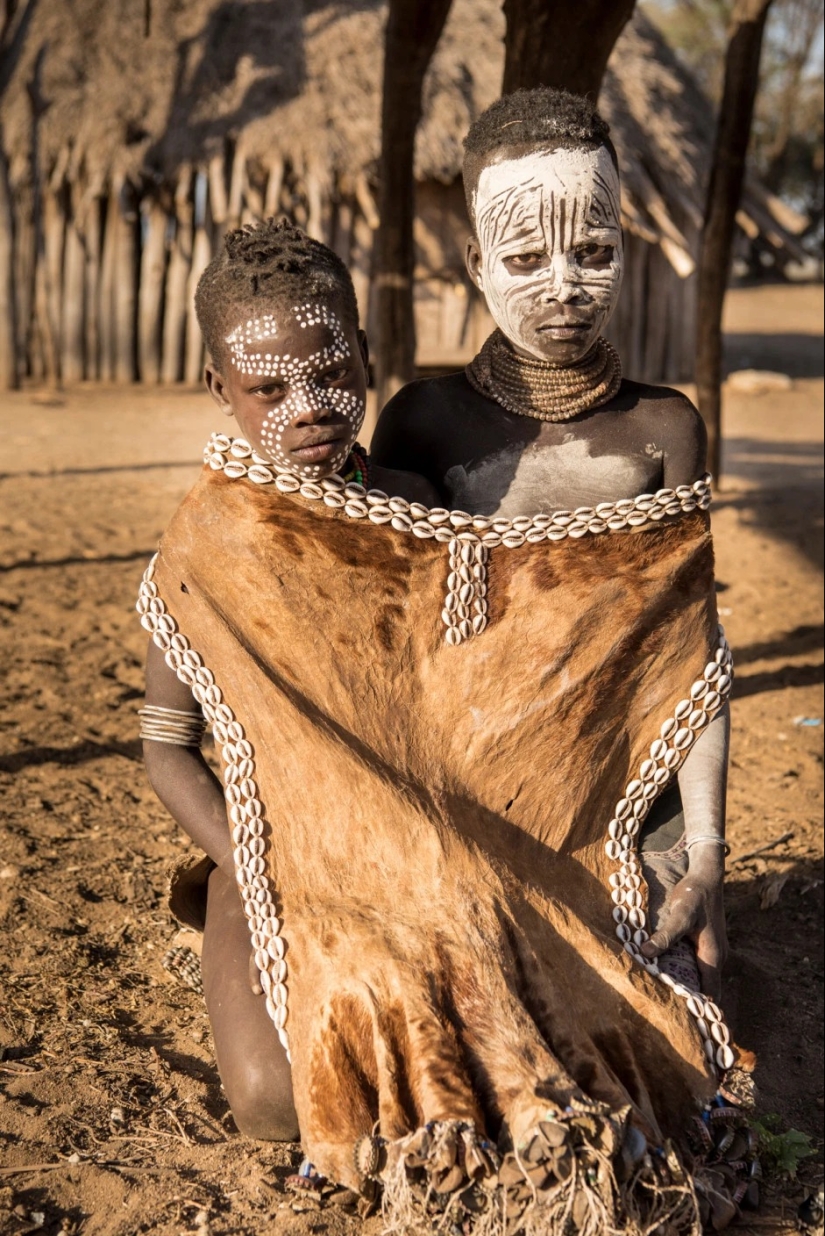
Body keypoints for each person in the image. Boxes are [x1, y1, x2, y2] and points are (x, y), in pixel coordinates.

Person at [371, 87, 730, 1003]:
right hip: (460, 787)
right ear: (475, 261)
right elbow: (392, 652)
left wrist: (704, 859)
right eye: (525, 256)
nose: (563, 286)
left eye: (593, 251)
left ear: (624, 246)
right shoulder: (422, 423)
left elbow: (689, 653)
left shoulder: (662, 429)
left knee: (663, 1011)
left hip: (621, 794)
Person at [140, 219, 437, 1141]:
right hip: (269, 835)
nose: (308, 404)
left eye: (333, 373)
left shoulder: (419, 513)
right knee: (276, 1101)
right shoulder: (198, 553)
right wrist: (261, 865)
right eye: (269, 388)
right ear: (218, 388)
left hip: (414, 822)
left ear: (367, 358)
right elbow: (165, 748)